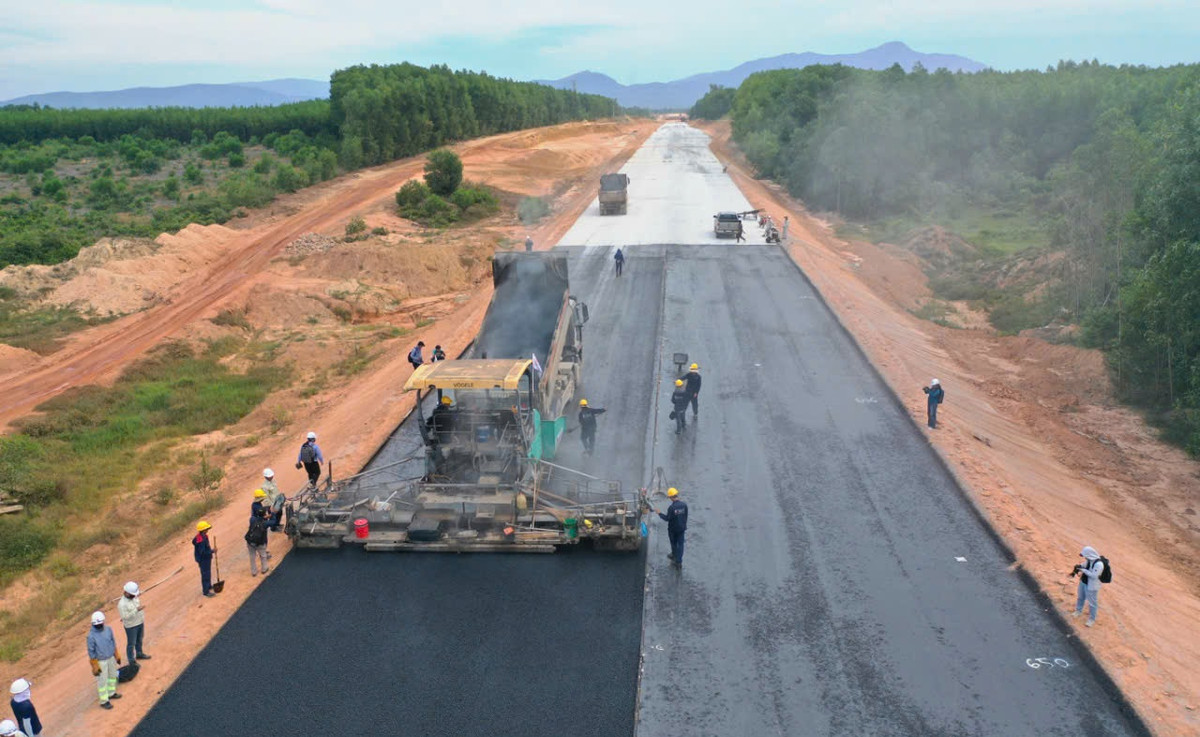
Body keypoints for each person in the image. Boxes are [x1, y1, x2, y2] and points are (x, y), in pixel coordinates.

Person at [86, 611, 121, 710]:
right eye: (97, 624)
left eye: (100, 623)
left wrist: (116, 654)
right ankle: (104, 701)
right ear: (93, 624)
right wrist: (94, 664)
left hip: (111, 658)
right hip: (101, 661)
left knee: (112, 676)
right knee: (102, 681)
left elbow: (113, 641)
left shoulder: (108, 629)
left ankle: (111, 693)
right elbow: (91, 651)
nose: (99, 625)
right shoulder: (91, 636)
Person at [117, 581, 150, 667]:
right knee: (131, 643)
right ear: (127, 593)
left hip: (139, 622)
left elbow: (136, 596)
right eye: (133, 594)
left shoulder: (133, 596)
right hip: (131, 626)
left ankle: (139, 653)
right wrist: (137, 610)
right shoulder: (122, 604)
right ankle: (131, 661)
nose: (134, 596)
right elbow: (125, 617)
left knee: (139, 639)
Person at [1072, 546, 1106, 626]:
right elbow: (1084, 565)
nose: (1085, 557)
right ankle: (1078, 611)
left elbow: (1094, 576)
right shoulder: (1089, 560)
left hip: (1092, 586)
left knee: (1092, 603)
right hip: (1083, 582)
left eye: (1085, 555)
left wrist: (1083, 570)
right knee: (1080, 598)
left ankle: (1091, 619)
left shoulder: (1099, 564)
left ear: (1089, 554)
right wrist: (1079, 567)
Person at [656, 487, 689, 568]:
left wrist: (659, 513)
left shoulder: (672, 508)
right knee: (680, 545)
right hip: (681, 528)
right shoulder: (684, 505)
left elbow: (667, 518)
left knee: (673, 543)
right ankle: (679, 562)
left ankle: (674, 554)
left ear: (671, 497)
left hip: (673, 529)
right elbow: (685, 516)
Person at [193, 521, 217, 597]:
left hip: (206, 558)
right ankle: (206, 591)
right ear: (203, 530)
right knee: (205, 574)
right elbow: (202, 552)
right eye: (206, 529)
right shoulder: (200, 540)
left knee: (208, 572)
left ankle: (209, 586)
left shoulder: (203, 536)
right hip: (203, 560)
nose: (207, 530)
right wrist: (212, 551)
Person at [245, 508, 270, 577]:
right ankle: (264, 569)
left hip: (250, 541)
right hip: (260, 543)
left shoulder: (252, 519)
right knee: (263, 555)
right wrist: (272, 515)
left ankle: (254, 572)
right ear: (264, 514)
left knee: (252, 557)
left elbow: (253, 516)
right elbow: (274, 522)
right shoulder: (265, 523)